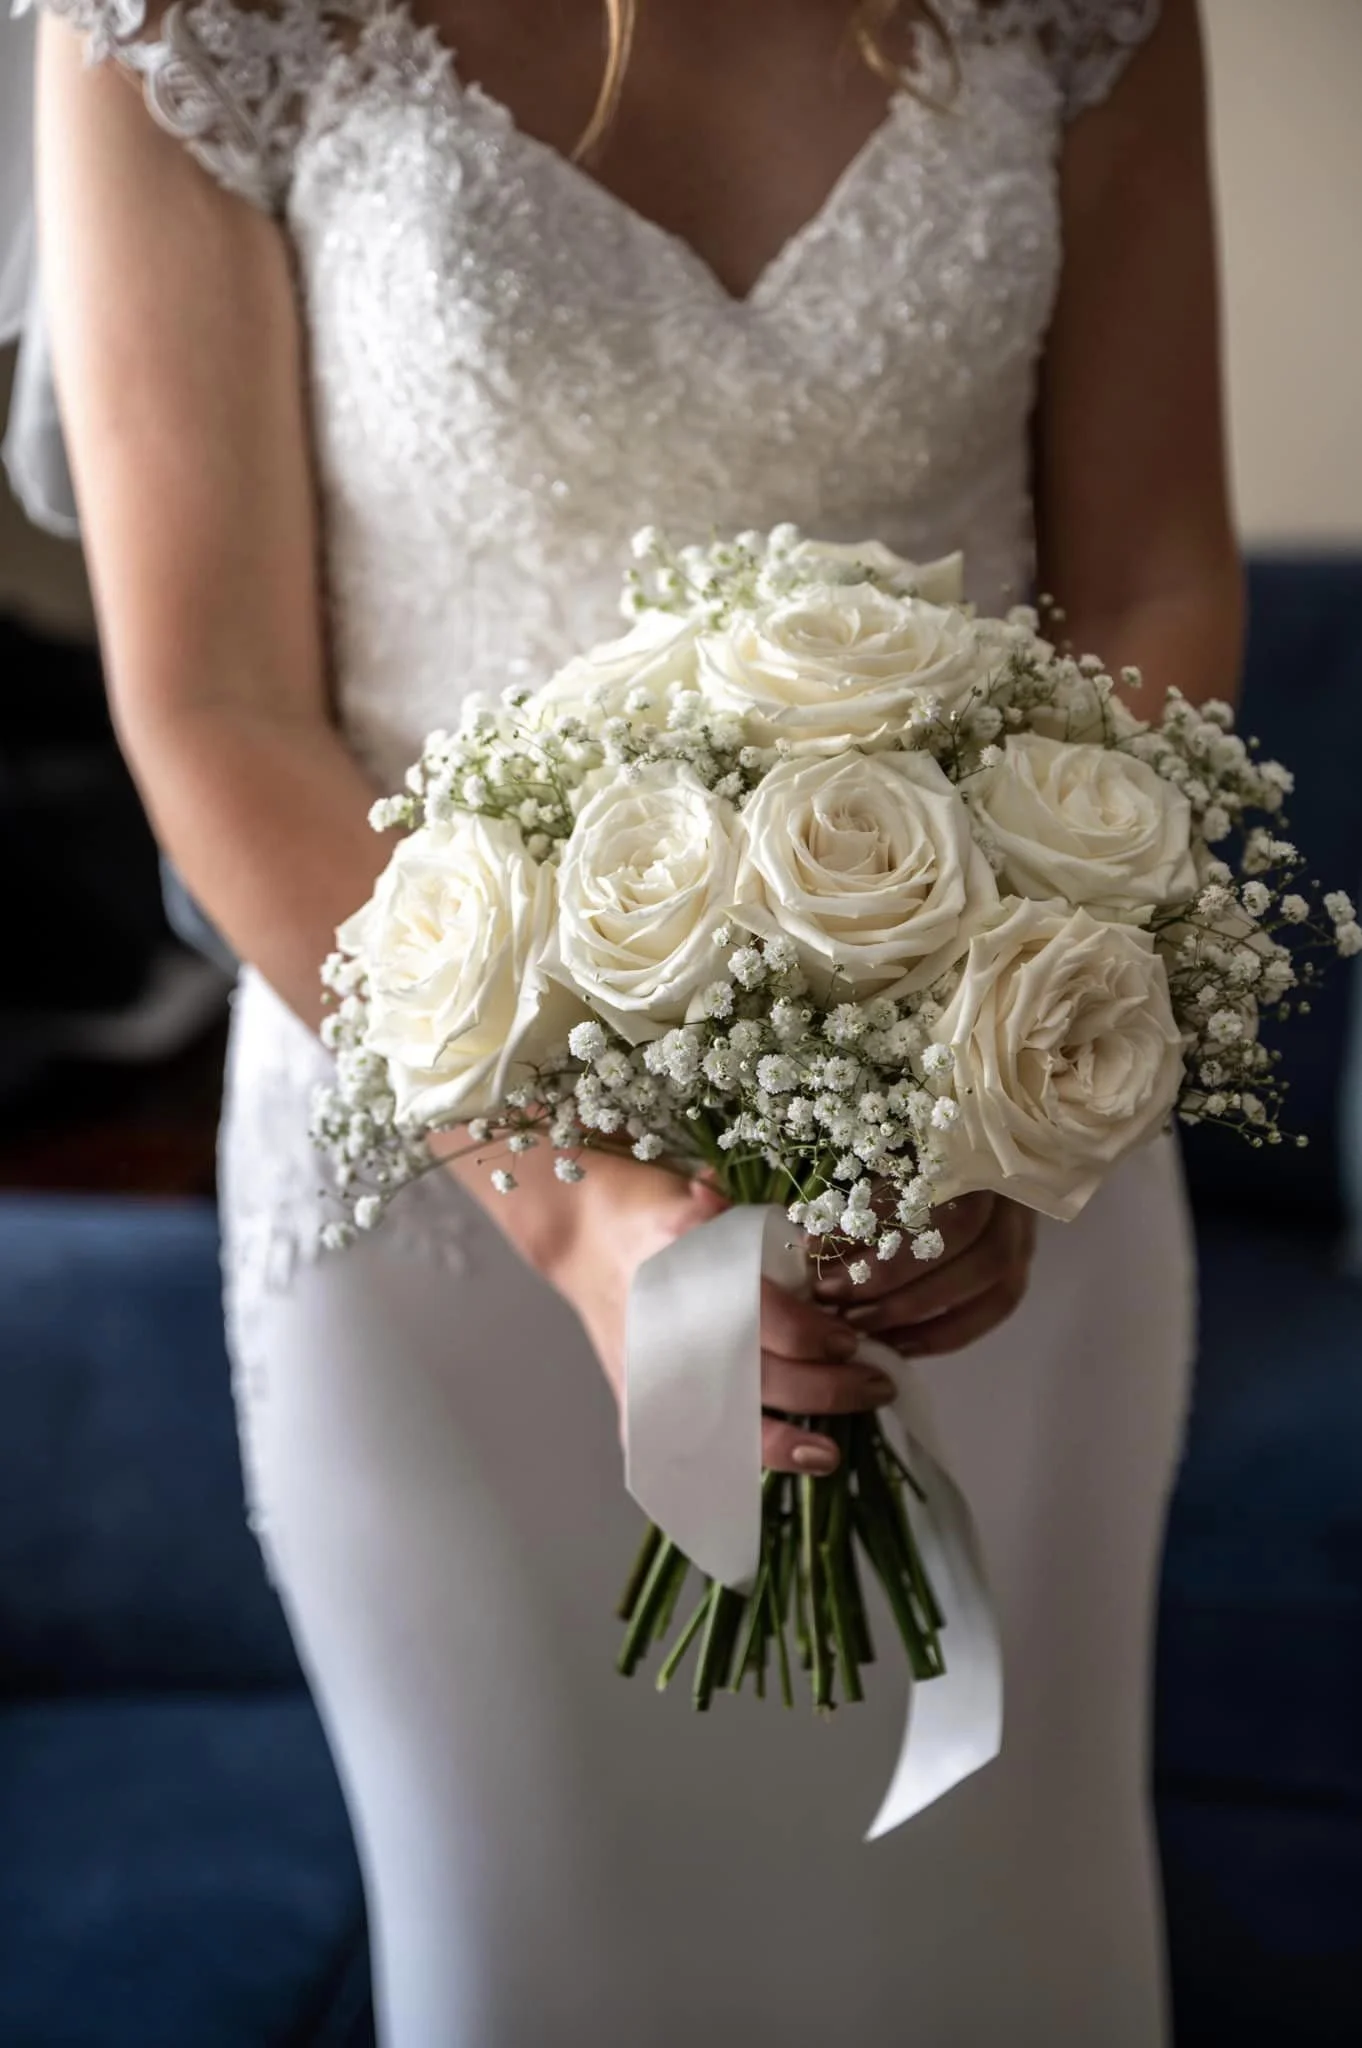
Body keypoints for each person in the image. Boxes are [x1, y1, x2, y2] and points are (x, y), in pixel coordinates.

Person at [22, 0, 1240, 2039]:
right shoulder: (187, 25)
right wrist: (573, 1201)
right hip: (439, 1170)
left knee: (1003, 1945)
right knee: (541, 1956)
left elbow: (1154, 582)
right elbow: (216, 702)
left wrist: (990, 1099)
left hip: (980, 1173)